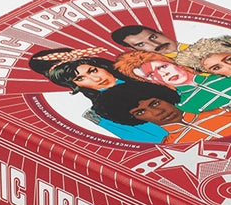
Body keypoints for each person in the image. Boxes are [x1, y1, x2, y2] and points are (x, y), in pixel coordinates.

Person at [28, 47, 166, 143]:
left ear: (101, 66)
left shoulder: (147, 74)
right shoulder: (100, 113)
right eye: (80, 78)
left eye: (92, 71)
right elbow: (154, 140)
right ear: (76, 86)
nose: (97, 79)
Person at [92, 81, 231, 145]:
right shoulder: (171, 148)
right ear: (133, 119)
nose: (158, 112)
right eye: (141, 112)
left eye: (155, 103)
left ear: (165, 97)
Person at [112, 50, 231, 114]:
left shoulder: (225, 76)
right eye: (151, 75)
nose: (163, 74)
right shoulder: (184, 105)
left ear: (174, 63)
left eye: (162, 67)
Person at [110, 26, 231, 68]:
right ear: (135, 51)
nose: (156, 45)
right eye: (142, 44)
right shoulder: (168, 71)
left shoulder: (221, 41)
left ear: (161, 33)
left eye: (154, 37)